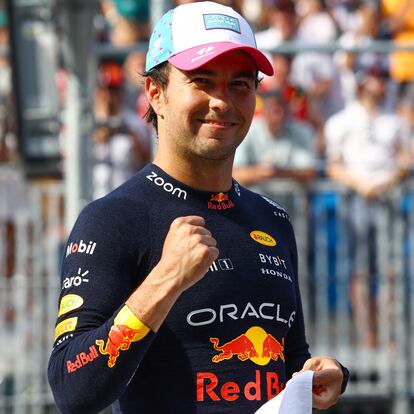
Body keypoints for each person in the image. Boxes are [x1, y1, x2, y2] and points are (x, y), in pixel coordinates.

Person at [48, 2, 348, 413]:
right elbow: (72, 389)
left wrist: (320, 374)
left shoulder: (272, 220)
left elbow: (288, 357)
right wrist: (166, 280)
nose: (222, 101)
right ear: (157, 93)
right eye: (202, 81)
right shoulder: (112, 220)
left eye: (240, 84)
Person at [233, 89, 317, 186]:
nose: (280, 116)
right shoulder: (248, 131)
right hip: (254, 196)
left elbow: (310, 172)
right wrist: (261, 172)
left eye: (284, 110)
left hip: (290, 198)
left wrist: (280, 173)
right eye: (276, 111)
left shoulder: (302, 131)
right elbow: (235, 172)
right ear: (264, 111)